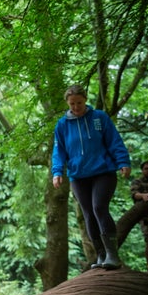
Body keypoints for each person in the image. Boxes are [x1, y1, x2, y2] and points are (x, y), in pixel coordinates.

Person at [51, 84, 131, 270]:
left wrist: (123, 162)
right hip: (78, 176)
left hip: (103, 172)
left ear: (85, 100)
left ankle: (112, 254)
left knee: (99, 207)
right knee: (88, 213)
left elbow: (114, 141)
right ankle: (101, 255)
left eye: (79, 102)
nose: (76, 107)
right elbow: (59, 150)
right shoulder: (62, 125)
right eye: (72, 104)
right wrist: (57, 172)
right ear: (67, 103)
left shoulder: (99, 118)